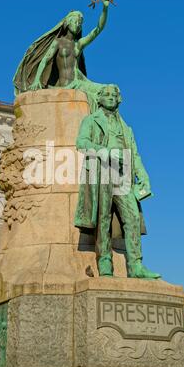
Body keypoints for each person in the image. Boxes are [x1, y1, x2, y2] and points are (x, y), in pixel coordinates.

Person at [74, 84, 161, 279]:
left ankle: (136, 266)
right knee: (103, 219)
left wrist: (144, 176)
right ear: (100, 99)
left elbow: (135, 155)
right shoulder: (91, 120)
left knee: (132, 218)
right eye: (107, 94)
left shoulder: (126, 127)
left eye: (114, 95)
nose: (111, 97)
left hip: (123, 175)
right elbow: (81, 142)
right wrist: (104, 152)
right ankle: (105, 264)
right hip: (102, 171)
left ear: (119, 99)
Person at [13, 0, 112, 113]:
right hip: (65, 84)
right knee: (103, 93)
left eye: (80, 23)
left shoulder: (78, 44)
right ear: (67, 23)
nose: (77, 24)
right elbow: (45, 60)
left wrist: (105, 9)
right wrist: (37, 80)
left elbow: (98, 29)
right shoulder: (58, 42)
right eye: (75, 21)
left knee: (108, 90)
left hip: (78, 83)